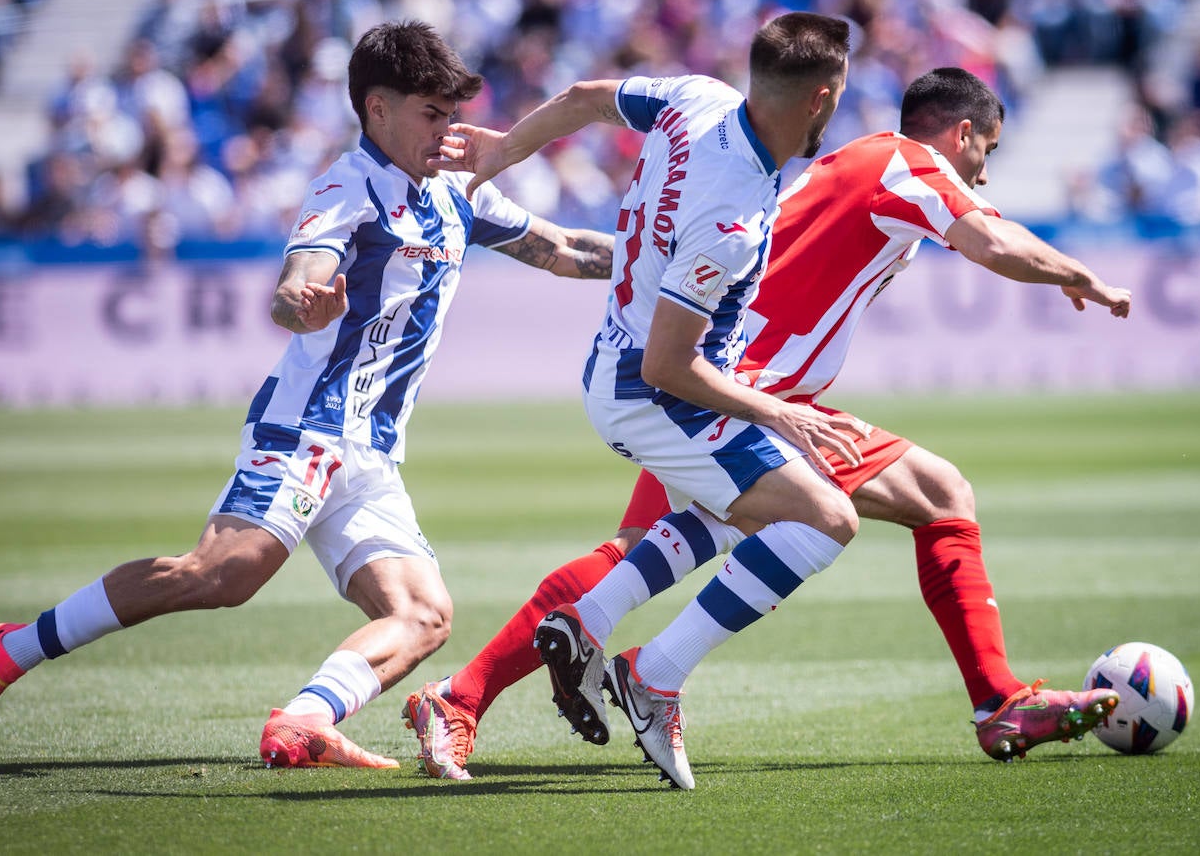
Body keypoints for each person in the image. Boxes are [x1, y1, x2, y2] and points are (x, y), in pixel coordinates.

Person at [404, 67, 1130, 787]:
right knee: (643, 552)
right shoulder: (911, 165)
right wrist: (1079, 274)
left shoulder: (861, 161)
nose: (983, 173)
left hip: (772, 394)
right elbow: (992, 243)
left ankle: (999, 701)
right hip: (737, 395)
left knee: (940, 494)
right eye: (987, 153)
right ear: (963, 133)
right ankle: (463, 698)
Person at [0, 21, 614, 768]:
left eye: (452, 115)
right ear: (377, 109)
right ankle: (9, 650)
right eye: (432, 114)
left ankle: (302, 719)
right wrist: (304, 303)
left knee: (424, 615)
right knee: (221, 577)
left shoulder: (454, 194)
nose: (449, 132)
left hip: (372, 458)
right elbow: (295, 283)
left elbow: (565, 251)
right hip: (306, 433)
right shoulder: (346, 187)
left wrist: (669, 260)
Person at [411, 12, 866, 789]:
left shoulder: (698, 97)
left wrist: (501, 149)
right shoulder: (734, 216)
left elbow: (590, 97)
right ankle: (654, 675)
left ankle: (584, 624)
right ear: (822, 98)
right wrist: (778, 411)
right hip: (653, 393)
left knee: (732, 519)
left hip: (623, 370)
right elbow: (669, 362)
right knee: (825, 520)